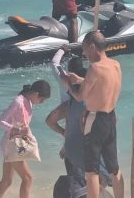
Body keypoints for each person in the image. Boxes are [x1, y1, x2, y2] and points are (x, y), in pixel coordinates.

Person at [62, 31, 124, 198]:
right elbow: (105, 83)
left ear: (92, 47)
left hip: (95, 119)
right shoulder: (115, 65)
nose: (84, 53)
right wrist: (80, 80)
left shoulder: (94, 68)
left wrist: (68, 84)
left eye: (84, 49)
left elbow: (80, 96)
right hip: (110, 117)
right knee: (114, 169)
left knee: (91, 172)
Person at [46, 65, 112, 198]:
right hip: (90, 155)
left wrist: (64, 134)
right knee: (96, 187)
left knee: (78, 190)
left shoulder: (69, 105)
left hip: (71, 154)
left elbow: (50, 120)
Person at [0, 80, 51, 198]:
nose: (42, 102)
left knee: (7, 180)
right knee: (28, 178)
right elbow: (0, 121)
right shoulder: (18, 101)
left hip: (12, 144)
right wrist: (18, 130)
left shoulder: (28, 101)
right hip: (12, 144)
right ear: (36, 94)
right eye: (42, 99)